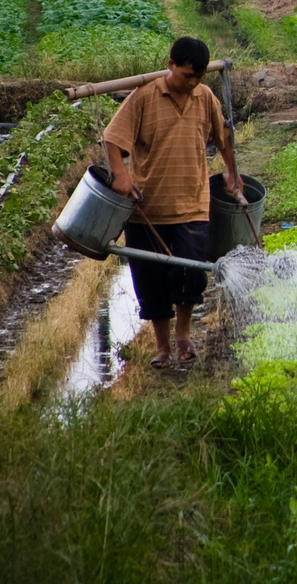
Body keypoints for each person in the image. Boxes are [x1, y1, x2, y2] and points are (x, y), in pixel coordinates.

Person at [102, 36, 239, 369]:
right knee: (151, 282)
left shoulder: (204, 97)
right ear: (171, 66)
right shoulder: (144, 96)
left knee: (191, 276)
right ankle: (162, 347)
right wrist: (121, 175)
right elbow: (112, 138)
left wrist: (233, 172)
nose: (191, 83)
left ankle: (183, 336)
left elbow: (224, 137)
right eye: (186, 75)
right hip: (147, 210)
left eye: (198, 77)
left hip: (192, 204)